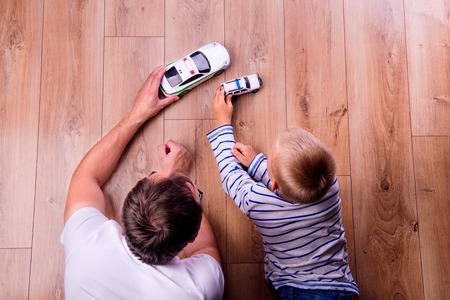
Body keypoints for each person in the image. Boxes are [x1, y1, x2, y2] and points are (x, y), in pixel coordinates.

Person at [61, 66, 224, 299]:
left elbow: (86, 177)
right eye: (196, 193)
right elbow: (204, 249)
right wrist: (177, 174)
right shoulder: (199, 288)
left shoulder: (86, 248)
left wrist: (136, 115)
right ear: (191, 235)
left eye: (153, 174)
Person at [207, 86, 359, 299]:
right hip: (340, 284)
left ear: (275, 184)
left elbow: (230, 175)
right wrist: (256, 163)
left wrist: (223, 123)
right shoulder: (330, 184)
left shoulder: (257, 203)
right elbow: (292, 186)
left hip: (295, 289)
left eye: (268, 160)